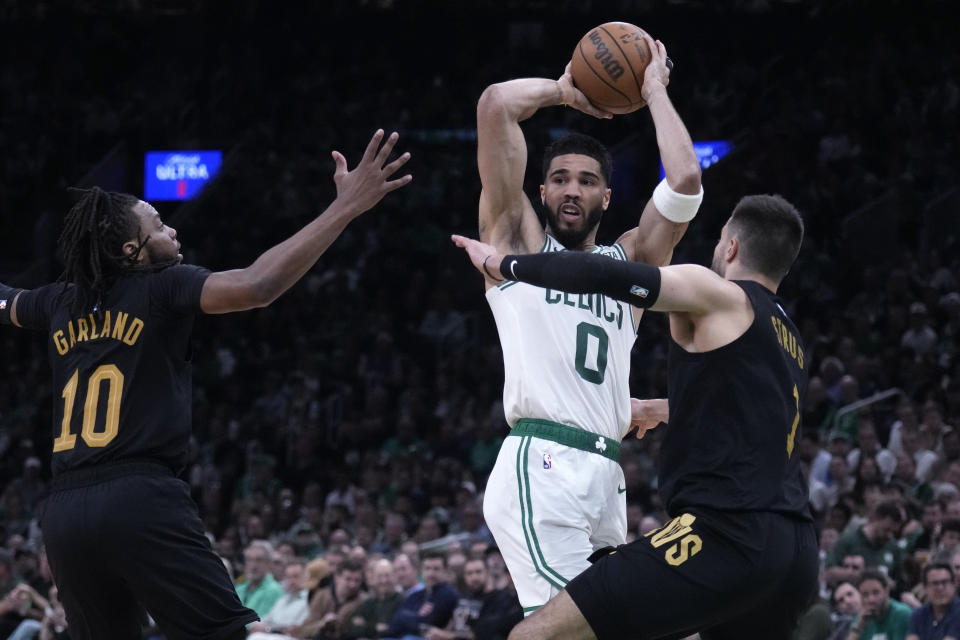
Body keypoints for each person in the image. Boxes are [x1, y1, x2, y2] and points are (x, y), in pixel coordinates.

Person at [0, 129, 411, 640]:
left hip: (62, 512)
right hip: (138, 496)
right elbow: (258, 285)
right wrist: (344, 208)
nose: (172, 230)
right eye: (159, 224)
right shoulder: (161, 286)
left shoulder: (59, 301)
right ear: (132, 250)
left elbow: (5, 301)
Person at [452, 192, 816, 638]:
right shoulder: (790, 339)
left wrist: (499, 265)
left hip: (728, 532)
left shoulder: (718, 294)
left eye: (720, 240)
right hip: (796, 549)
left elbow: (602, 272)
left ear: (732, 248)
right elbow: (751, 418)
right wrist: (662, 408)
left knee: (535, 634)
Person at [474, 32, 702, 614]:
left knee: (623, 625)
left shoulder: (630, 266)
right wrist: (565, 92)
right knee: (587, 624)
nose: (571, 189)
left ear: (606, 196)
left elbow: (684, 184)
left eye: (586, 180)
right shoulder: (519, 246)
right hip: (542, 466)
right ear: (542, 192)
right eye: (559, 179)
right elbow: (496, 105)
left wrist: (652, 90)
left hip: (604, 475)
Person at [847, 570, 910, 640]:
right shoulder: (861, 619)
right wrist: (857, 628)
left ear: (886, 591)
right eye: (865, 594)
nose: (871, 599)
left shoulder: (901, 614)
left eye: (876, 592)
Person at [907, 563, 960, 640]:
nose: (940, 588)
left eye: (944, 582)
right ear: (925, 588)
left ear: (954, 585)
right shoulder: (918, 614)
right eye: (935, 583)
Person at [238, 541, 285, 620]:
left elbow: (258, 621)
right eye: (249, 560)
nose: (253, 565)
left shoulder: (274, 590)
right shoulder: (239, 588)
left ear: (268, 563)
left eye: (259, 560)